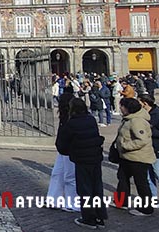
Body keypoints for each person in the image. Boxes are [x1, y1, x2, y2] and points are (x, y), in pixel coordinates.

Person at [55, 98, 106, 229]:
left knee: (85, 189)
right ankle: (100, 216)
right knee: (97, 187)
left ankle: (89, 218)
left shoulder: (72, 123)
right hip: (95, 157)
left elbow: (62, 144)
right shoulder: (91, 119)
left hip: (82, 159)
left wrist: (69, 151)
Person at [115, 97, 155, 216]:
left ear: (127, 108)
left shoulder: (136, 121)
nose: (120, 108)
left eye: (121, 106)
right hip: (127, 157)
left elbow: (142, 140)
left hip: (138, 157)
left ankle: (147, 208)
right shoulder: (128, 119)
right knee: (122, 178)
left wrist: (125, 145)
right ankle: (121, 202)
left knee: (141, 183)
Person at [47, 84, 78, 212]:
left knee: (70, 177)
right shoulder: (64, 117)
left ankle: (73, 204)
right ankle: (54, 199)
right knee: (56, 174)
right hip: (62, 150)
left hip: (70, 150)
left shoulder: (72, 118)